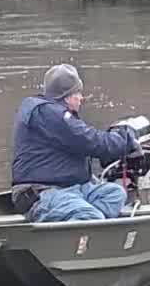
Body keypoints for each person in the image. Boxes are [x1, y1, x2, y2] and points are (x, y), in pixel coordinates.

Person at [9, 64, 139, 222]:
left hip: (68, 188)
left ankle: (85, 231)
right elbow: (91, 141)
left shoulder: (52, 114)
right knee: (88, 216)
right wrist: (126, 139)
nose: (81, 98)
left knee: (114, 194)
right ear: (67, 95)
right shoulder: (51, 116)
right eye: (78, 93)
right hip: (41, 193)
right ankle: (83, 232)